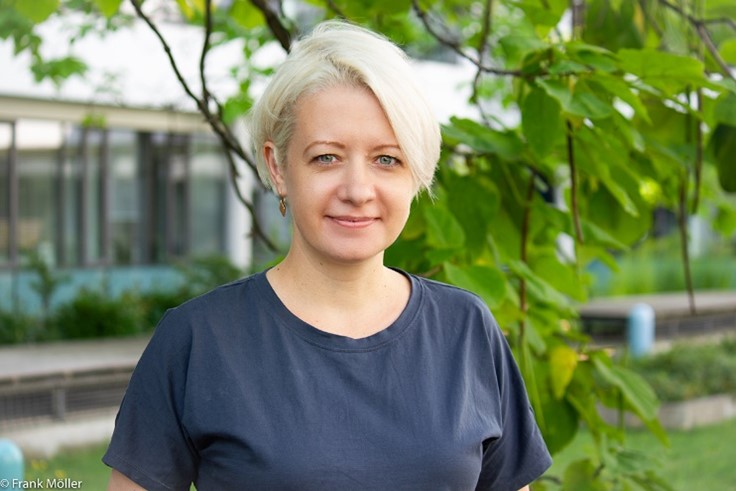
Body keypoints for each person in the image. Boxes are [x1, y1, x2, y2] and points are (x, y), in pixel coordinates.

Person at [104, 20, 551, 491]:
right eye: (326, 158)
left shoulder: (467, 331)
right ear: (278, 167)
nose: (358, 190)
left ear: (416, 172)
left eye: (386, 159)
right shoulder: (198, 340)